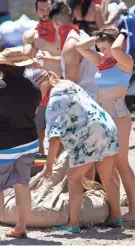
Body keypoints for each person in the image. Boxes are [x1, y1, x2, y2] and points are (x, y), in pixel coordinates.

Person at [26, 69, 121, 233]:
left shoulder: (54, 100)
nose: (33, 95)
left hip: (91, 135)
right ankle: (115, 217)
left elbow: (55, 138)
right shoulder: (65, 83)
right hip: (107, 127)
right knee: (107, 175)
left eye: (34, 90)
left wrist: (48, 166)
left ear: (43, 84)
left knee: (73, 178)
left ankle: (73, 224)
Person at [0, 49, 41, 241]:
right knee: (22, 185)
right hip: (29, 143)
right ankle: (21, 228)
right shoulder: (33, 87)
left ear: (3, 66)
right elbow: (35, 111)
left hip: (1, 146)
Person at [75, 27, 135, 221]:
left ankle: (134, 210)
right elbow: (80, 48)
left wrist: (123, 34)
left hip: (118, 116)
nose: (103, 52)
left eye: (105, 47)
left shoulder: (124, 61)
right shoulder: (103, 62)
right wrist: (97, 38)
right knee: (107, 164)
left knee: (121, 163)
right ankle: (115, 208)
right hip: (102, 118)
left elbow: (116, 50)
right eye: (100, 48)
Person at [22, 0, 62, 155]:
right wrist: (30, 59)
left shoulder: (64, 33)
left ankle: (59, 157)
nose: (44, 12)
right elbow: (24, 60)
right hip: (40, 84)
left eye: (48, 9)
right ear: (36, 11)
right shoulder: (30, 35)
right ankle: (39, 154)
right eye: (41, 9)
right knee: (38, 124)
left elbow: (72, 59)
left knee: (59, 125)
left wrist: (49, 58)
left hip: (60, 82)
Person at [49, 1, 98, 100]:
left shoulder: (70, 45)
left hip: (84, 103)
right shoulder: (83, 35)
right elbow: (75, 61)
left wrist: (52, 79)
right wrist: (49, 59)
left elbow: (70, 86)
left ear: (55, 22)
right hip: (95, 95)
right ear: (72, 18)